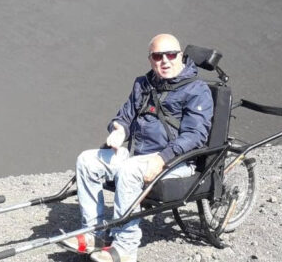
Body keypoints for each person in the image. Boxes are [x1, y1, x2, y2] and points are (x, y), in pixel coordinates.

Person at [62, 34, 214, 262]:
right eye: (157, 56)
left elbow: (195, 136)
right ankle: (94, 234)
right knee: (87, 160)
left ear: (180, 55)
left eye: (171, 54)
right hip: (140, 157)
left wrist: (162, 158)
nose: (165, 60)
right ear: (150, 59)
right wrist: (119, 130)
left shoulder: (197, 90)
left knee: (129, 169)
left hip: (176, 162)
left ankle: (125, 248)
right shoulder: (143, 84)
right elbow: (125, 116)